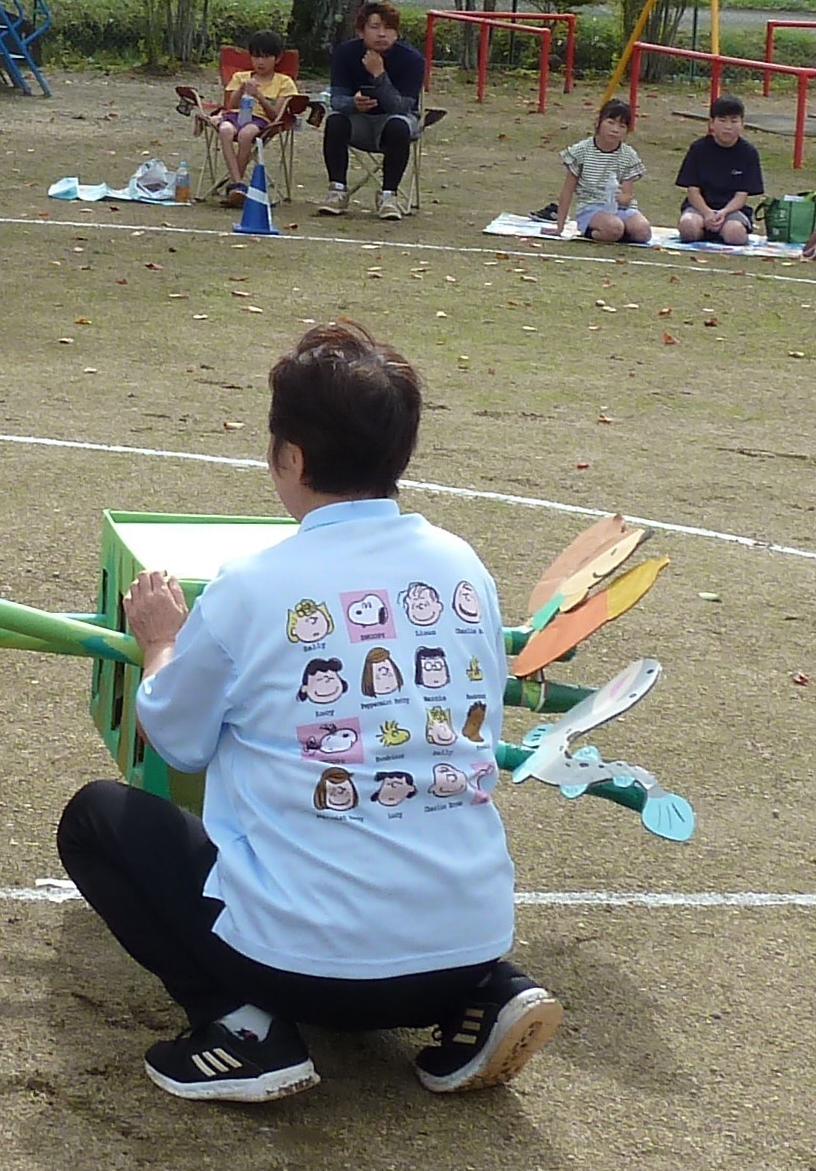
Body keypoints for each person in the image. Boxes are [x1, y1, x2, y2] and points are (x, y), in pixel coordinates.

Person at [56, 322, 557, 1103]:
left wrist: (161, 642)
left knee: (96, 817)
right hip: (469, 942)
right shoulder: (465, 565)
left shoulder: (254, 584)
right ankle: (488, 994)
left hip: (307, 969)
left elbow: (175, 740)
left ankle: (241, 1027)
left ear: (290, 457)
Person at [318, 1, 426, 221]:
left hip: (393, 123)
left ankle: (388, 196)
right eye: (375, 27)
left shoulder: (412, 60)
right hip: (358, 120)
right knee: (335, 121)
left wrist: (379, 75)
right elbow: (336, 99)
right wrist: (353, 104)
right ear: (361, 31)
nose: (382, 34)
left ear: (397, 33)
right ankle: (337, 190)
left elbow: (402, 107)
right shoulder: (346, 53)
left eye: (388, 28)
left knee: (399, 126)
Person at [207, 31, 298, 202]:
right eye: (256, 57)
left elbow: (276, 116)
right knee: (225, 130)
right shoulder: (240, 77)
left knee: (246, 134)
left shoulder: (284, 82)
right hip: (234, 116)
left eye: (266, 57)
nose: (260, 62)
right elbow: (230, 106)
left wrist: (260, 97)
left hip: (261, 121)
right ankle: (238, 183)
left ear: (277, 59)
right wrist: (241, 89)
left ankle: (236, 185)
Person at [544, 97, 649, 243]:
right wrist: (559, 227)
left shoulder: (628, 155)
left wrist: (622, 198)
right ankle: (596, 232)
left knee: (643, 232)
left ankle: (618, 233)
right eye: (610, 123)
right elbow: (567, 191)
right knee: (614, 228)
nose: (615, 130)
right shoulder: (581, 151)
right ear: (599, 123)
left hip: (620, 209)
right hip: (591, 207)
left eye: (622, 126)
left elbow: (627, 195)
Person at [674, 95, 765, 245]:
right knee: (687, 228)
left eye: (734, 121)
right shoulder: (698, 148)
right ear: (712, 123)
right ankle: (704, 230)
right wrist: (707, 213)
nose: (728, 126)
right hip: (699, 208)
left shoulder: (749, 153)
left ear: (742, 124)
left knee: (735, 235)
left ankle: (721, 231)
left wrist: (724, 213)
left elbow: (742, 195)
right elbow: (692, 191)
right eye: (722, 120)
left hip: (732, 211)